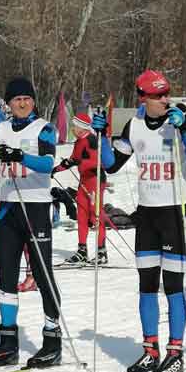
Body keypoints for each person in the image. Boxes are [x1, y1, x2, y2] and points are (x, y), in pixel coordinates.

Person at [0, 77, 107, 367]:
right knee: (6, 277)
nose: (22, 103)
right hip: (9, 210)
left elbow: (47, 164)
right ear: (8, 103)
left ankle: (52, 340)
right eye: (16, 99)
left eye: (27, 99)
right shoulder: (2, 129)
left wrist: (20, 155)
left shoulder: (44, 128)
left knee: (43, 276)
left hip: (35, 209)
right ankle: (8, 343)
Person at [104, 70, 186, 372]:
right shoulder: (133, 126)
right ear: (143, 98)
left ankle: (176, 353)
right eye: (158, 96)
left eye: (167, 94)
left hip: (176, 212)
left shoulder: (180, 122)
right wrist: (98, 137)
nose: (165, 100)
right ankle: (151, 350)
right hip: (147, 214)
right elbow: (111, 164)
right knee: (146, 285)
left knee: (174, 287)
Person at [54, 112, 108, 265]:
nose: (73, 129)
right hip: (84, 181)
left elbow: (97, 161)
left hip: (95, 180)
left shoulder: (91, 139)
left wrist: (83, 164)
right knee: (82, 215)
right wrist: (57, 169)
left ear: (82, 127)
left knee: (95, 216)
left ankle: (101, 251)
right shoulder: (78, 142)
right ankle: (82, 250)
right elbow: (73, 160)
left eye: (75, 126)